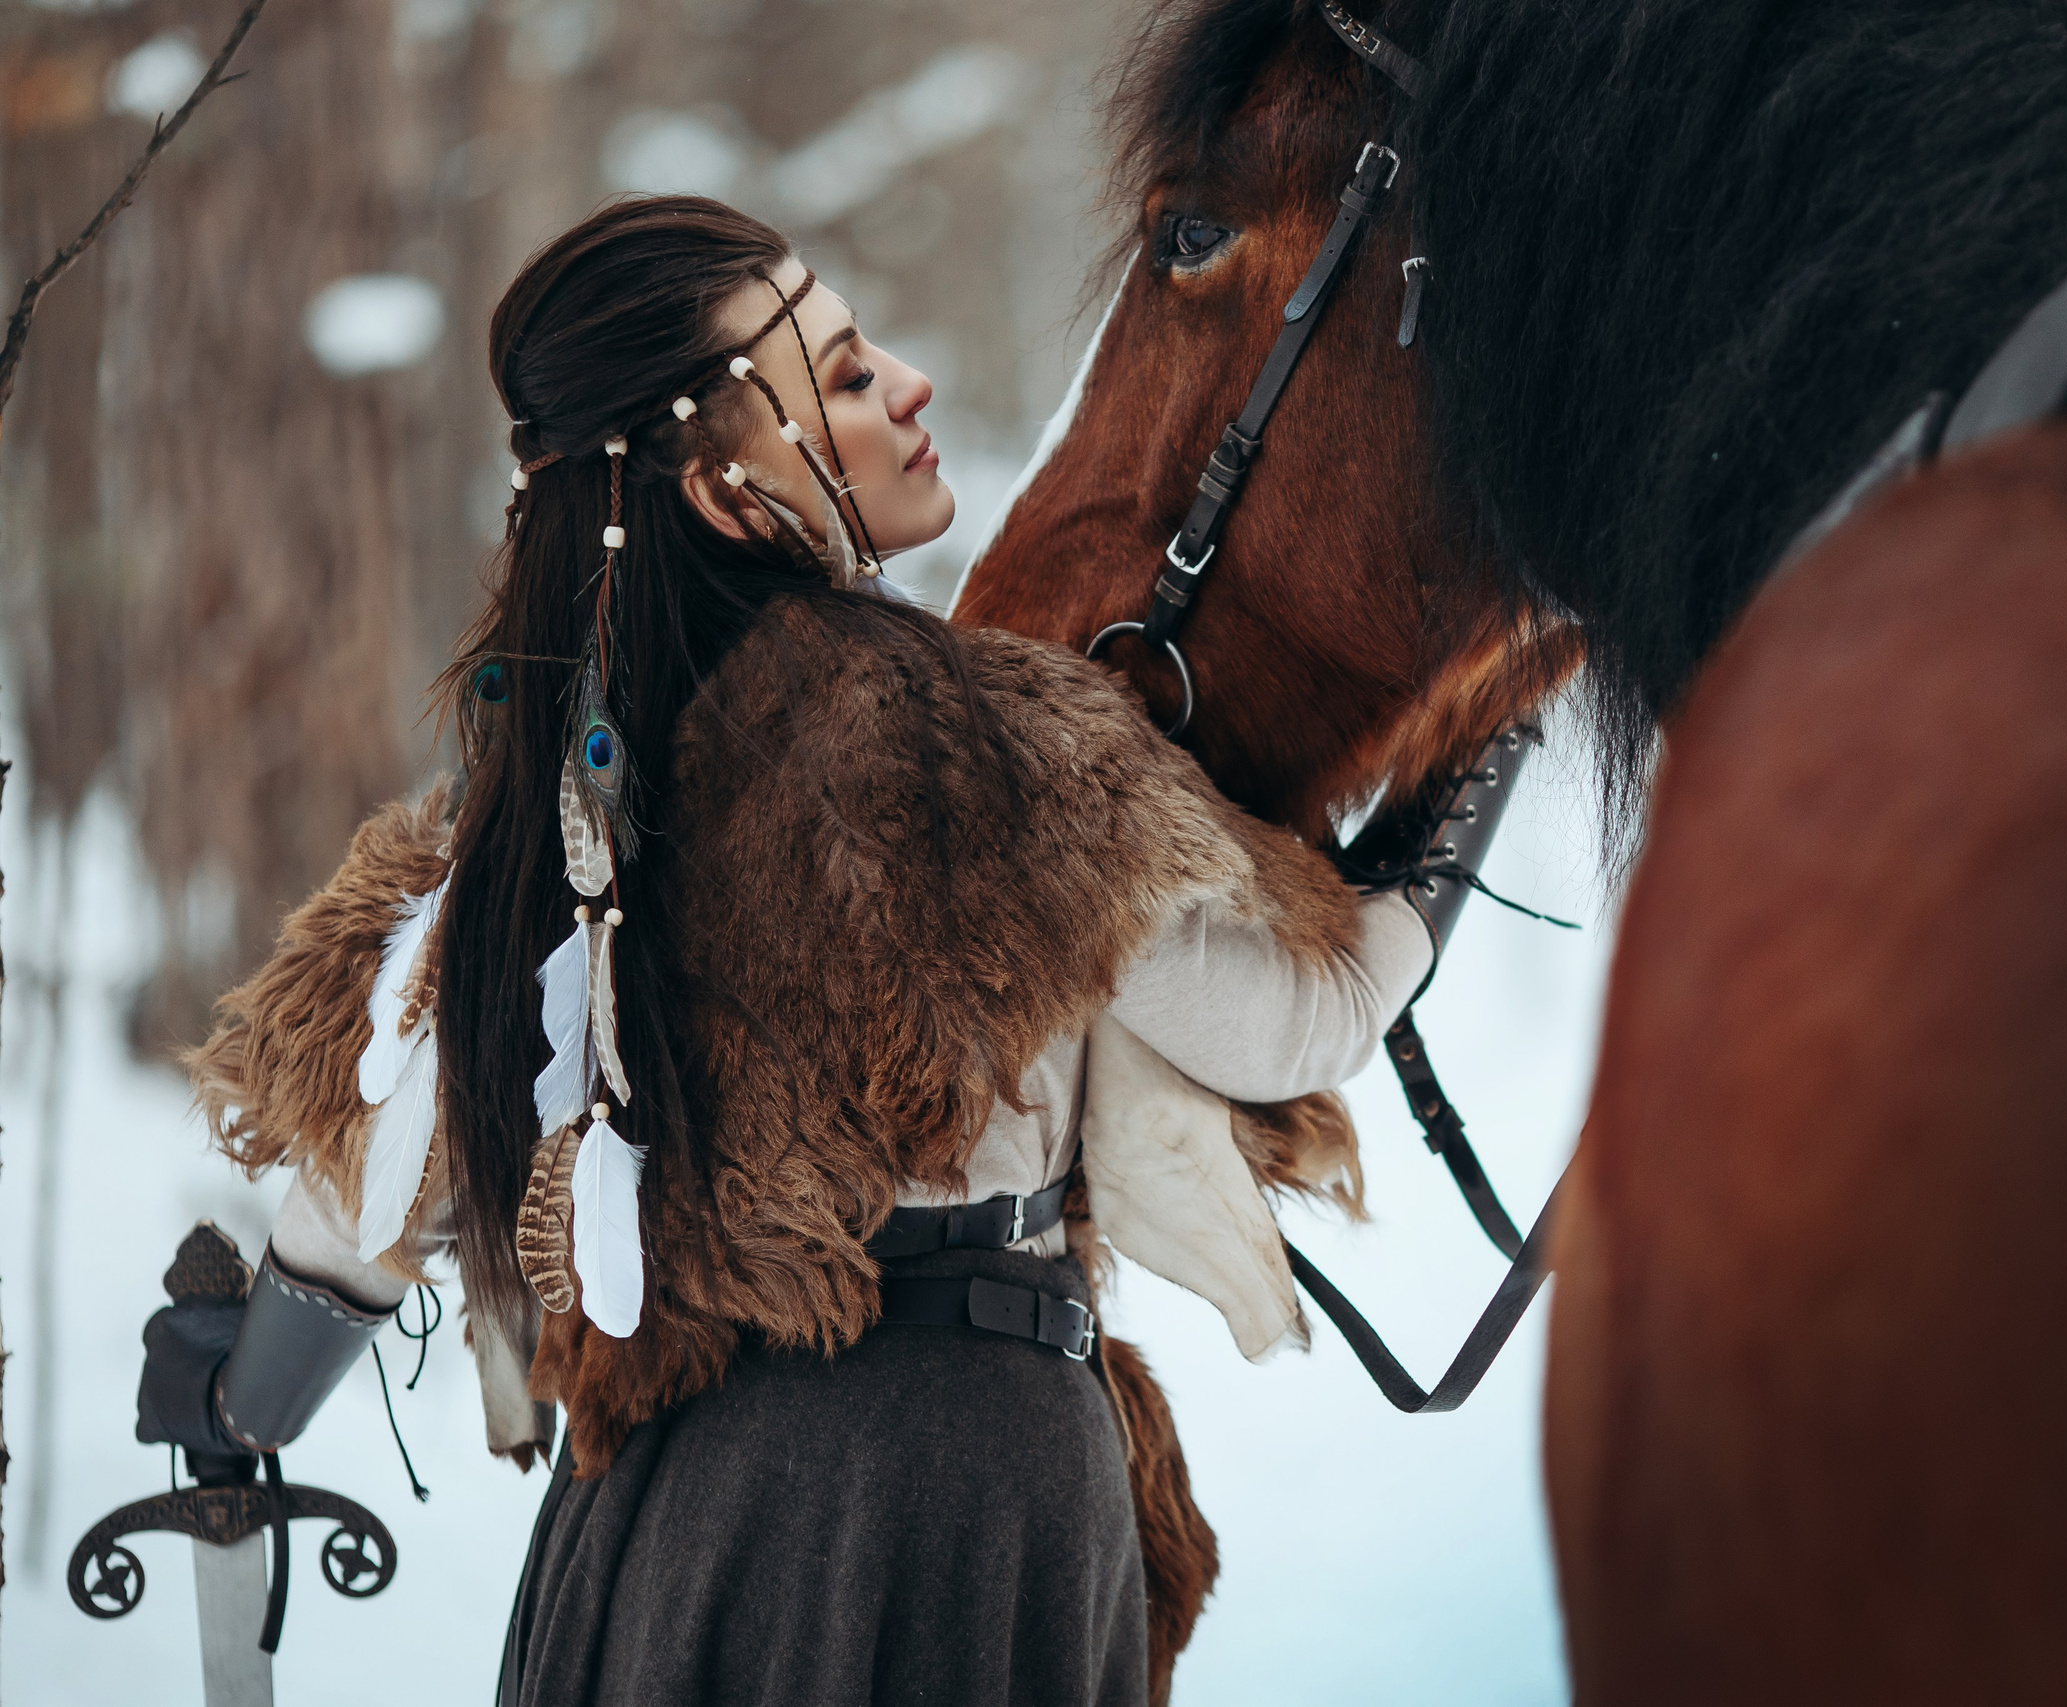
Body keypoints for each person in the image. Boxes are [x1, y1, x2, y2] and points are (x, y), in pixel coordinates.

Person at [149, 195, 1475, 1707]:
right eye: (843, 378)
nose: (907, 383)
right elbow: (1295, 1030)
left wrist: (238, 1390)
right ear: (724, 491)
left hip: (664, 1529)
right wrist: (1452, 811)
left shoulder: (538, 814)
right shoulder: (997, 744)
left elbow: (379, 1163)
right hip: (955, 1510)